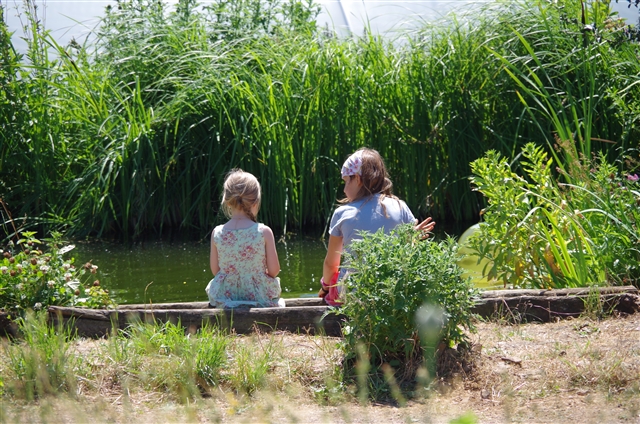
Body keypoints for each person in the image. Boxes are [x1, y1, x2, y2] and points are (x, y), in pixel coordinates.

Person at [319, 148, 436, 306]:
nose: (344, 189)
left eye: (347, 181)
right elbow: (407, 256)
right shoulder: (400, 206)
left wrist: (326, 288)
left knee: (334, 282)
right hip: (393, 291)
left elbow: (331, 264)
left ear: (358, 179)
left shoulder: (342, 213)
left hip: (355, 293)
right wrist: (410, 239)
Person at [206, 169, 284, 308]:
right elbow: (274, 271)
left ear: (228, 202)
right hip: (258, 296)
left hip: (226, 296)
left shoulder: (217, 233)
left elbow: (215, 270)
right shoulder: (263, 232)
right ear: (255, 202)